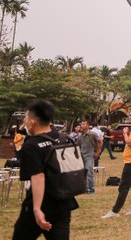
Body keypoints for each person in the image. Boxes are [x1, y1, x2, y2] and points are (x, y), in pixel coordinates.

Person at [13, 100, 79, 239]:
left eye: (26, 118)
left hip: (40, 203)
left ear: (33, 121)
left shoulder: (31, 145)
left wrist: (37, 209)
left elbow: (38, 177)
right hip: (63, 200)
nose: (24, 122)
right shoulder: (62, 138)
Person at [101, 109, 131, 219]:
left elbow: (130, 142)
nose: (130, 117)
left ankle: (115, 210)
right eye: (129, 115)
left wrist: (124, 134)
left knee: (124, 187)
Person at [79, 119, 102, 195]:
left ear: (88, 126)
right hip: (82, 156)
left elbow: (100, 141)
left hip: (89, 156)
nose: (82, 125)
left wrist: (98, 152)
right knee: (83, 173)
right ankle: (85, 188)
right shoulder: (80, 136)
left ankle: (92, 189)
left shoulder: (92, 134)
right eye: (81, 124)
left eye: (84, 124)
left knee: (89, 172)